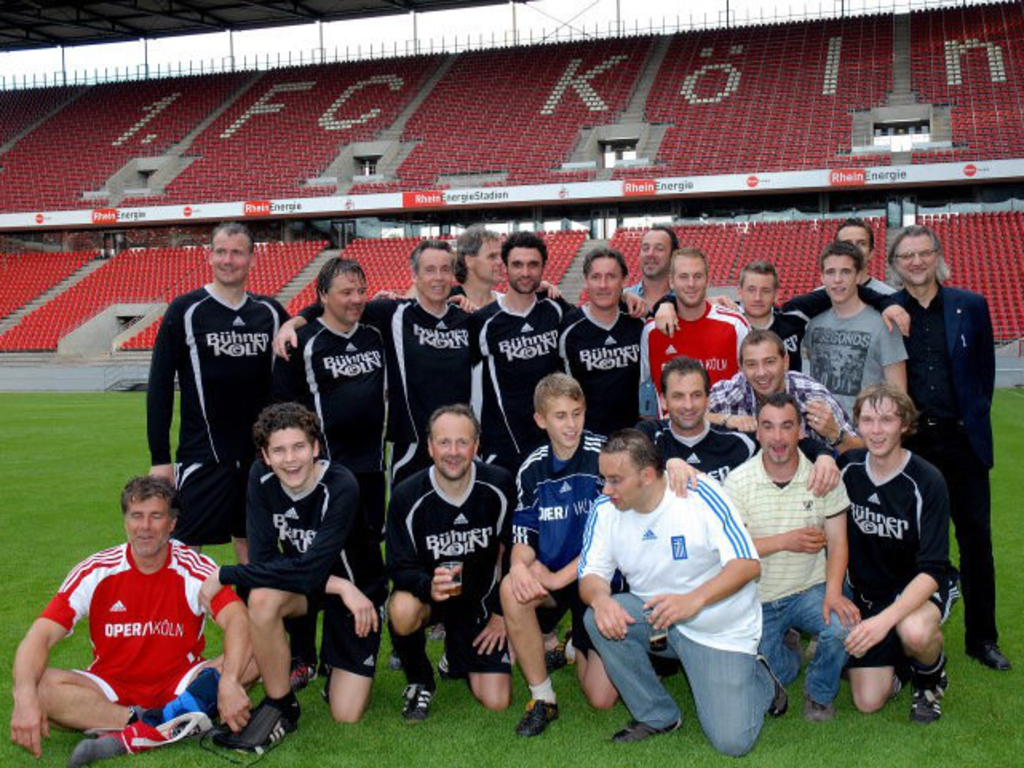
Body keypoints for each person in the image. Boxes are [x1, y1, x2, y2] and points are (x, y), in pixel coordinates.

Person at [10, 476, 252, 766]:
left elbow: (238, 619)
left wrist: (229, 680)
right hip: (111, 689)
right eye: (136, 516)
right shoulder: (97, 570)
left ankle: (149, 725)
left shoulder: (194, 567)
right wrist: (24, 697)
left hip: (180, 681)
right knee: (37, 687)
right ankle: (158, 723)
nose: (145, 527)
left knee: (261, 653)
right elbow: (40, 635)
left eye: (156, 516)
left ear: (172, 524)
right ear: (126, 521)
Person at [579, 430, 784, 755]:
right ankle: (657, 715)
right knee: (597, 616)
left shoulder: (699, 494)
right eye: (604, 478)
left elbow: (748, 564)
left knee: (733, 742)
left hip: (719, 630)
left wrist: (693, 601)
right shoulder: (605, 509)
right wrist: (601, 599)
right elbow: (590, 575)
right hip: (658, 619)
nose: (606, 489)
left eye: (615, 480)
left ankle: (760, 680)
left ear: (647, 476)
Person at [200, 403, 385, 750]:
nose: (291, 459)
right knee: (261, 599)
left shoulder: (341, 484)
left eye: (299, 447)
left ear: (315, 447)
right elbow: (266, 559)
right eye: (279, 450)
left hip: (359, 593)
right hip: (316, 587)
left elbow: (311, 570)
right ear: (265, 456)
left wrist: (225, 573)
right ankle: (281, 704)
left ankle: (334, 659)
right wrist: (338, 585)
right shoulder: (260, 478)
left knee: (346, 712)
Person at [886, 225, 1008, 671]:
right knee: (912, 545)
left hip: (962, 441)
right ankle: (906, 636)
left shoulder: (971, 306)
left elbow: (984, 375)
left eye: (923, 253)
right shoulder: (889, 308)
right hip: (915, 446)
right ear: (895, 267)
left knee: (976, 542)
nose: (916, 262)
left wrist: (971, 423)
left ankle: (983, 638)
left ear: (937, 255)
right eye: (906, 256)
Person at [147, 222, 287, 562]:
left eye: (238, 252)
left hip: (259, 459)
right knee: (184, 550)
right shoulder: (185, 310)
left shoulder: (269, 312)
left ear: (252, 259)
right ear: (209, 256)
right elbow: (160, 386)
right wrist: (160, 459)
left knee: (253, 546)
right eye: (221, 251)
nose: (229, 260)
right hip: (202, 456)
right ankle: (176, 617)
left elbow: (309, 334)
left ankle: (256, 615)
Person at [725, 393, 858, 721]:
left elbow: (839, 542)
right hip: (759, 598)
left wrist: (833, 593)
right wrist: (787, 541)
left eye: (787, 426)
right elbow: (732, 550)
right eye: (768, 427)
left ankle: (819, 694)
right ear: (757, 432)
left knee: (842, 628)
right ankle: (790, 652)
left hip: (809, 588)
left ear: (800, 431)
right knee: (776, 675)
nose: (778, 437)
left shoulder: (823, 477)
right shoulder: (738, 481)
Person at [500, 374, 617, 737]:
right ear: (540, 420)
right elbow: (523, 536)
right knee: (510, 587)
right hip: (554, 579)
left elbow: (607, 542)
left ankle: (573, 647)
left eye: (577, 413)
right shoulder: (531, 468)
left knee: (601, 698)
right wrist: (520, 566)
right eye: (561, 416)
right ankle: (543, 697)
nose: (571, 424)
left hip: (597, 582)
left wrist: (555, 578)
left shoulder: (605, 457)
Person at [386, 404, 515, 721]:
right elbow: (397, 566)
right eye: (444, 442)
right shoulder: (406, 494)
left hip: (479, 603)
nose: (453, 452)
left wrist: (501, 613)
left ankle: (454, 657)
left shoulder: (498, 485)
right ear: (430, 446)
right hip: (431, 599)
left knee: (497, 700)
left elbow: (515, 550)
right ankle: (419, 679)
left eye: (462, 442)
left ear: (476, 445)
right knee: (401, 609)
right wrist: (426, 585)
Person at [840, 383, 959, 721]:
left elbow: (934, 569)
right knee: (867, 701)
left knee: (915, 631)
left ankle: (929, 679)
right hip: (868, 594)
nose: (876, 431)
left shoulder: (927, 481)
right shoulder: (847, 468)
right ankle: (906, 659)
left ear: (905, 424)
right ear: (857, 424)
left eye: (887, 420)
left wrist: (883, 622)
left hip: (918, 590)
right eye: (868, 420)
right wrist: (822, 457)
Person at [639, 356, 841, 491]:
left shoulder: (738, 440)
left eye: (696, 395)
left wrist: (824, 456)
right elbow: (617, 456)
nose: (688, 405)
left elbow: (786, 442)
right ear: (663, 400)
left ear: (709, 399)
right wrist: (669, 464)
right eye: (678, 397)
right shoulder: (649, 436)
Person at [469, 231, 571, 472]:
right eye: (517, 264)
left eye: (533, 264)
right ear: (505, 268)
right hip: (504, 448)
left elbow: (595, 314)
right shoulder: (483, 322)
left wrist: (628, 296)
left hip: (554, 443)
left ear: (544, 267)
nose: (525, 273)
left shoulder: (556, 311)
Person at [708, 329, 863, 453]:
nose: (761, 372)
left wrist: (834, 435)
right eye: (751, 364)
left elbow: (860, 451)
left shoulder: (812, 396)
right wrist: (726, 419)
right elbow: (687, 416)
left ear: (786, 362)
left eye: (769, 362)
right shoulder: (729, 392)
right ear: (741, 368)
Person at [640, 247, 748, 418]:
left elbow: (754, 382)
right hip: (673, 438)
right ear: (671, 281)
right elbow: (640, 384)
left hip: (725, 435)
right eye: (683, 277)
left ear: (707, 280)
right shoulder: (652, 331)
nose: (691, 284)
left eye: (697, 276)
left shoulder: (735, 325)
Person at [803, 241, 907, 416]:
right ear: (822, 277)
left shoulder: (883, 324)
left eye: (846, 272)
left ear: (858, 276)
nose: (837, 280)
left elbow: (899, 394)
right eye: (830, 272)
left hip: (866, 435)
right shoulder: (814, 323)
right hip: (820, 433)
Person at [559, 247, 644, 436]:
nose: (603, 285)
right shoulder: (567, 327)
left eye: (611, 277)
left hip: (635, 436)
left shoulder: (638, 321)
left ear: (624, 280)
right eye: (596, 277)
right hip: (587, 437)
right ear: (586, 281)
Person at [835, 217, 895, 295]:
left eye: (861, 243)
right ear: (835, 252)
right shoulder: (817, 301)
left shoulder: (890, 297)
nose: (854, 249)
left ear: (871, 252)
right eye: (847, 243)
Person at [624, 225, 677, 307]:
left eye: (659, 249)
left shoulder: (684, 302)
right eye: (645, 248)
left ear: (673, 255)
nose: (650, 254)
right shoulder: (622, 300)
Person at [454, 225, 504, 307]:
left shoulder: (509, 306)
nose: (500, 262)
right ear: (469, 261)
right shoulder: (446, 305)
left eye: (501, 256)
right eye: (492, 256)